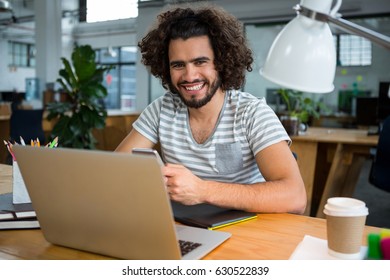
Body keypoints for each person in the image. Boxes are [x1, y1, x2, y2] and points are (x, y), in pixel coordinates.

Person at [115, 4, 307, 214]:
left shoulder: (252, 113)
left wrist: (202, 190)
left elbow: (295, 197)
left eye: (200, 62)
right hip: (184, 228)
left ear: (222, 62)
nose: (189, 76)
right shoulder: (162, 109)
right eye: (178, 65)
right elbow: (116, 170)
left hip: (248, 230)